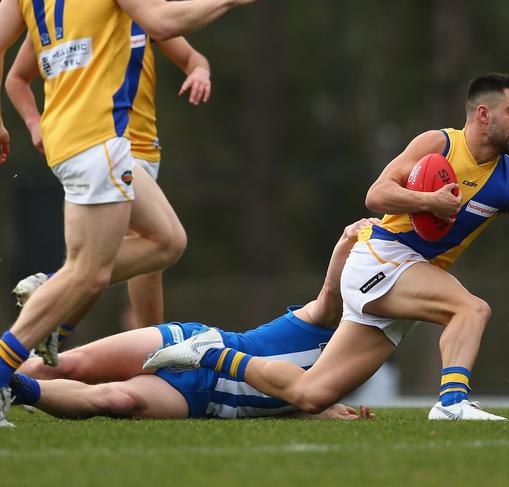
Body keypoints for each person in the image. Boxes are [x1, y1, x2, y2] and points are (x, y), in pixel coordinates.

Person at [145, 73, 509, 421]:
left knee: (309, 392)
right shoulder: (438, 144)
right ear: (483, 113)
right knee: (471, 308)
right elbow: (376, 194)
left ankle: (206, 354)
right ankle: (452, 402)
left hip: (405, 282)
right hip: (380, 255)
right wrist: (430, 200)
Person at [0, 0, 256, 427]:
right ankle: (10, 366)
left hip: (82, 139)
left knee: (166, 241)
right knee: (87, 275)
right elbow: (162, 19)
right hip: (99, 138)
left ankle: (54, 303)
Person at [10, 219, 378, 421]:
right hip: (190, 341)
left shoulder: (333, 379)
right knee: (71, 365)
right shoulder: (323, 322)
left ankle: (13, 388)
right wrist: (347, 239)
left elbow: (293, 396)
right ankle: (6, 365)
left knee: (117, 401)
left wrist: (314, 414)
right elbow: (330, 292)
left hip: (204, 398)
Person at [6, 27, 212, 365]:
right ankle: (154, 356)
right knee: (150, 249)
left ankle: (46, 342)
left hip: (139, 150)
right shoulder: (65, 13)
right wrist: (34, 124)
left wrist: (199, 69)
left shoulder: (142, 14)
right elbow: (16, 76)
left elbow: (190, 52)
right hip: (107, 146)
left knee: (105, 266)